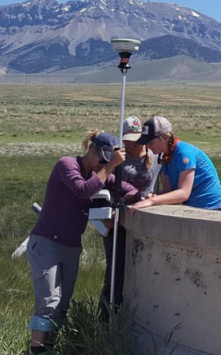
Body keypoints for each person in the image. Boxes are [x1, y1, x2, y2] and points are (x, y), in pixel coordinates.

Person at [26, 130, 137, 354]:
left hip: (71, 248)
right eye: (101, 160)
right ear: (91, 150)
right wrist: (110, 166)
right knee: (49, 302)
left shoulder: (101, 174)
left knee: (61, 306)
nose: (102, 166)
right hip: (46, 243)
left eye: (107, 162)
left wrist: (125, 203)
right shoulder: (67, 165)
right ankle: (36, 350)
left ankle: (50, 349)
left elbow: (131, 190)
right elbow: (83, 190)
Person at [100, 116, 160, 319]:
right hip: (118, 221)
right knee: (116, 272)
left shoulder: (154, 156)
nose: (132, 144)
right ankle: (106, 318)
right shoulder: (117, 158)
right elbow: (102, 184)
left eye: (135, 139)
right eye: (127, 139)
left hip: (146, 219)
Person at [130, 116, 221, 213]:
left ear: (164, 138)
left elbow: (184, 193)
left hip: (210, 207)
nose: (147, 146)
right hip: (192, 207)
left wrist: (152, 201)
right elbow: (169, 191)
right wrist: (156, 196)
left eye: (150, 142)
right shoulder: (166, 158)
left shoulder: (184, 153)